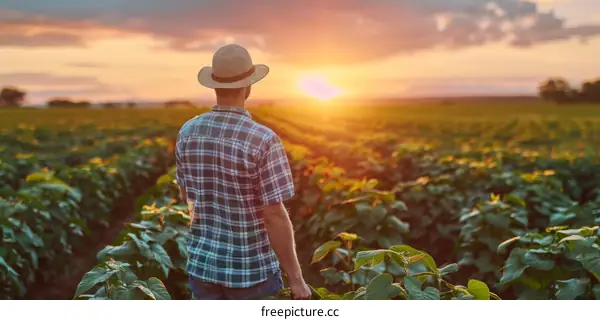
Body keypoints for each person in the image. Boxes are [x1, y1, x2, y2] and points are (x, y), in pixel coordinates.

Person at [175, 44, 311, 300]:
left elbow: (187, 196)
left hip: (202, 268)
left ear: (214, 86)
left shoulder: (187, 132)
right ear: (248, 87)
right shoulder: (263, 140)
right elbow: (273, 215)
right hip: (249, 274)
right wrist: (297, 280)